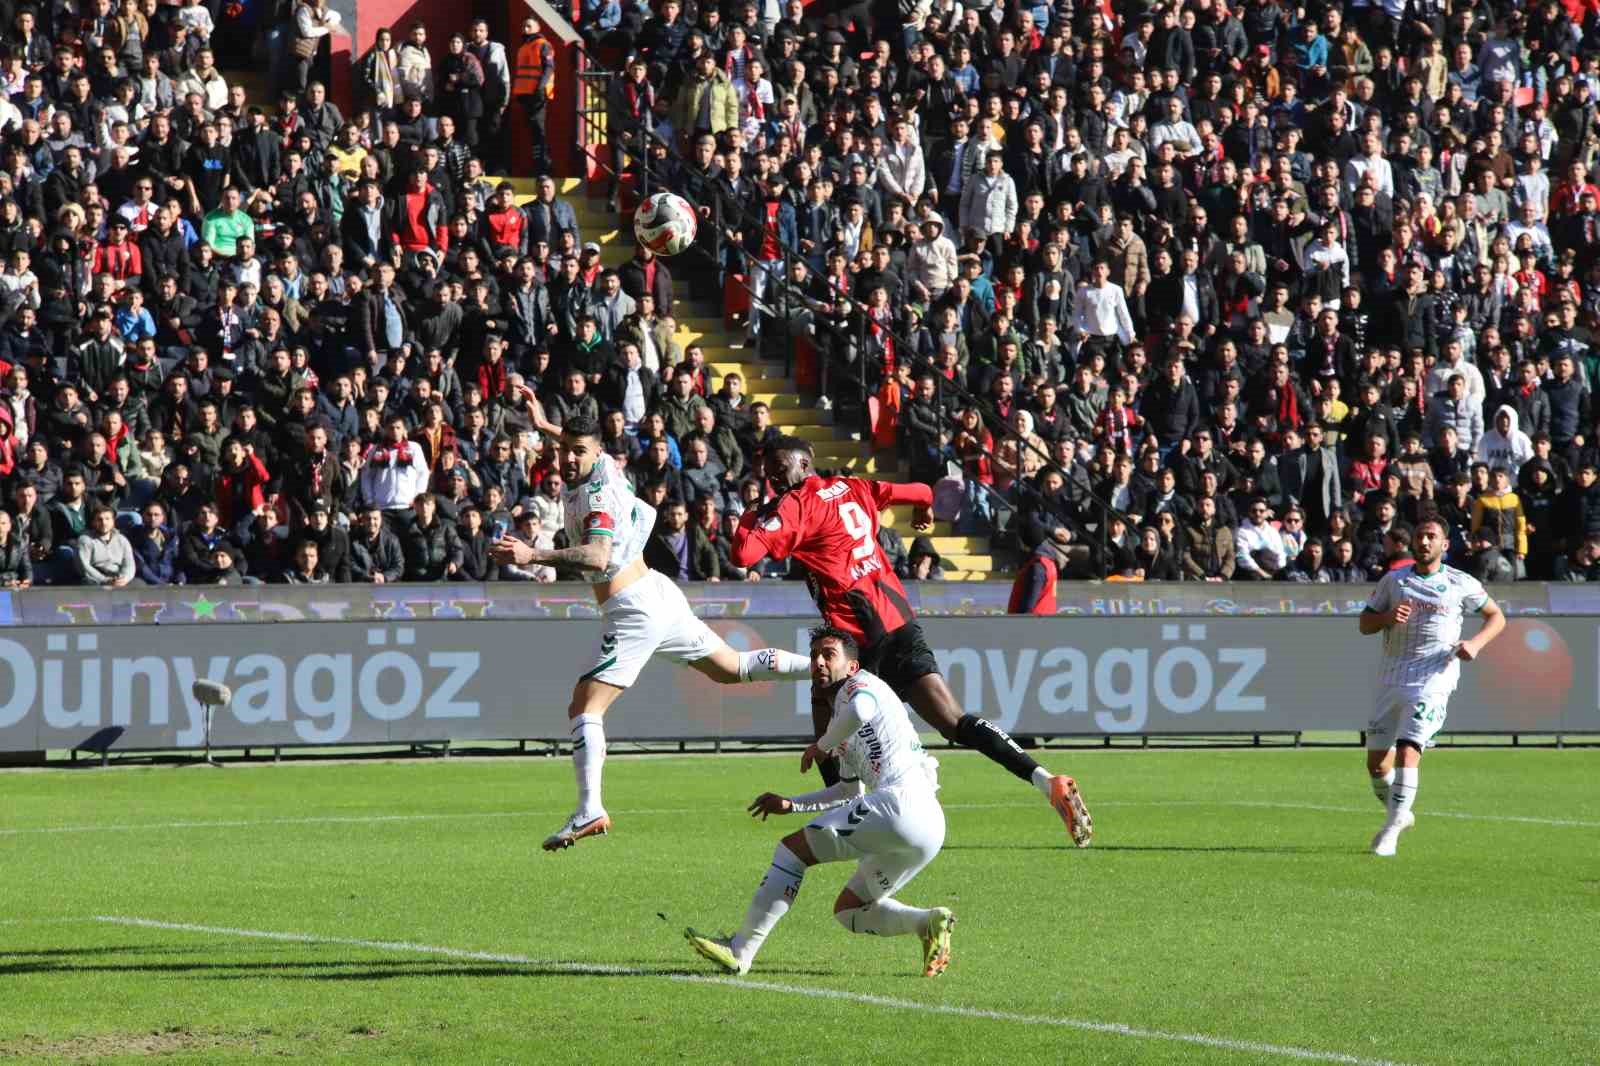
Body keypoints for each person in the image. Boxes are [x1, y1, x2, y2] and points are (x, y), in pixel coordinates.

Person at [729, 434, 1092, 847]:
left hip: (857, 641)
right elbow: (922, 490)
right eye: (771, 472)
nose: (776, 478)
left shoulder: (796, 504)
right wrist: (923, 510)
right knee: (954, 723)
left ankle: (838, 808)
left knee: (822, 698)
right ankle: (1046, 781)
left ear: (805, 463)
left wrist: (750, 515)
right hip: (900, 623)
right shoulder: (854, 486)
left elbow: (743, 555)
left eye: (781, 469)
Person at [490, 410, 813, 852]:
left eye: (576, 451)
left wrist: (533, 556)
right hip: (656, 590)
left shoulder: (597, 497)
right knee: (730, 667)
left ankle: (590, 809)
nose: (567, 458)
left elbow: (598, 556)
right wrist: (546, 425)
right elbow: (577, 444)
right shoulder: (603, 463)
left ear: (596, 452)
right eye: (564, 449)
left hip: (632, 610)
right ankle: (827, 669)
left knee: (584, 707)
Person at [685, 626, 954, 978]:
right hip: (926, 825)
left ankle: (740, 950)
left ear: (852, 666)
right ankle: (928, 922)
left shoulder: (860, 688)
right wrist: (791, 804)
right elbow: (847, 793)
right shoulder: (839, 721)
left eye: (829, 654)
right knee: (850, 911)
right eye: (814, 655)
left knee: (790, 853)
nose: (818, 662)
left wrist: (821, 745)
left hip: (901, 802)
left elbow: (860, 709)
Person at [1358, 517, 1506, 856]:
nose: (1424, 541)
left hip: (1434, 678)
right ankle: (1400, 813)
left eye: (1431, 536)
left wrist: (1476, 644)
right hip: (1392, 677)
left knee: (1409, 751)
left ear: (1445, 544)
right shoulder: (1393, 581)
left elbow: (1496, 616)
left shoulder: (1459, 582)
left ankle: (1390, 832)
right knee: (1377, 767)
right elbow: (1365, 623)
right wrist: (1386, 617)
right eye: (1420, 536)